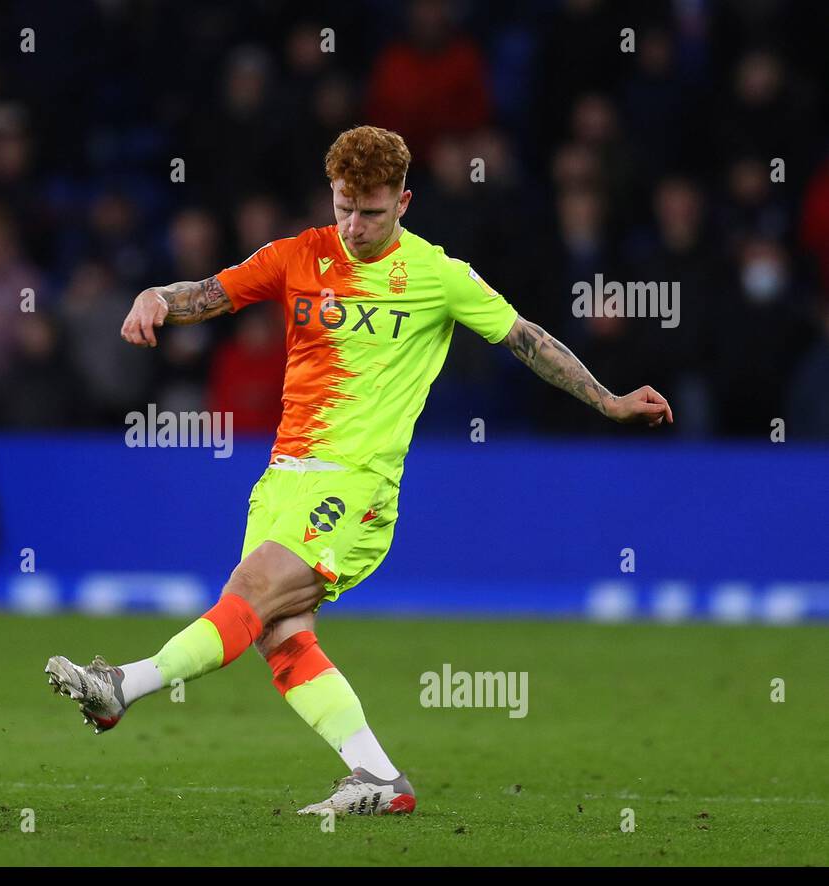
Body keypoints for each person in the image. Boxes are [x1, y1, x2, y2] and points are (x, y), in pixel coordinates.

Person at [45, 126, 673, 817]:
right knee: (283, 640)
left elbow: (529, 341)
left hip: (358, 486)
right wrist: (157, 297)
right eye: (344, 206)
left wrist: (609, 400)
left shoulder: (438, 276)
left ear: (403, 202)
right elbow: (210, 293)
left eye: (371, 211)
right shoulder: (298, 256)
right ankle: (379, 777)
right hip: (284, 479)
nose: (355, 224)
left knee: (250, 593)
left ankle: (119, 688)